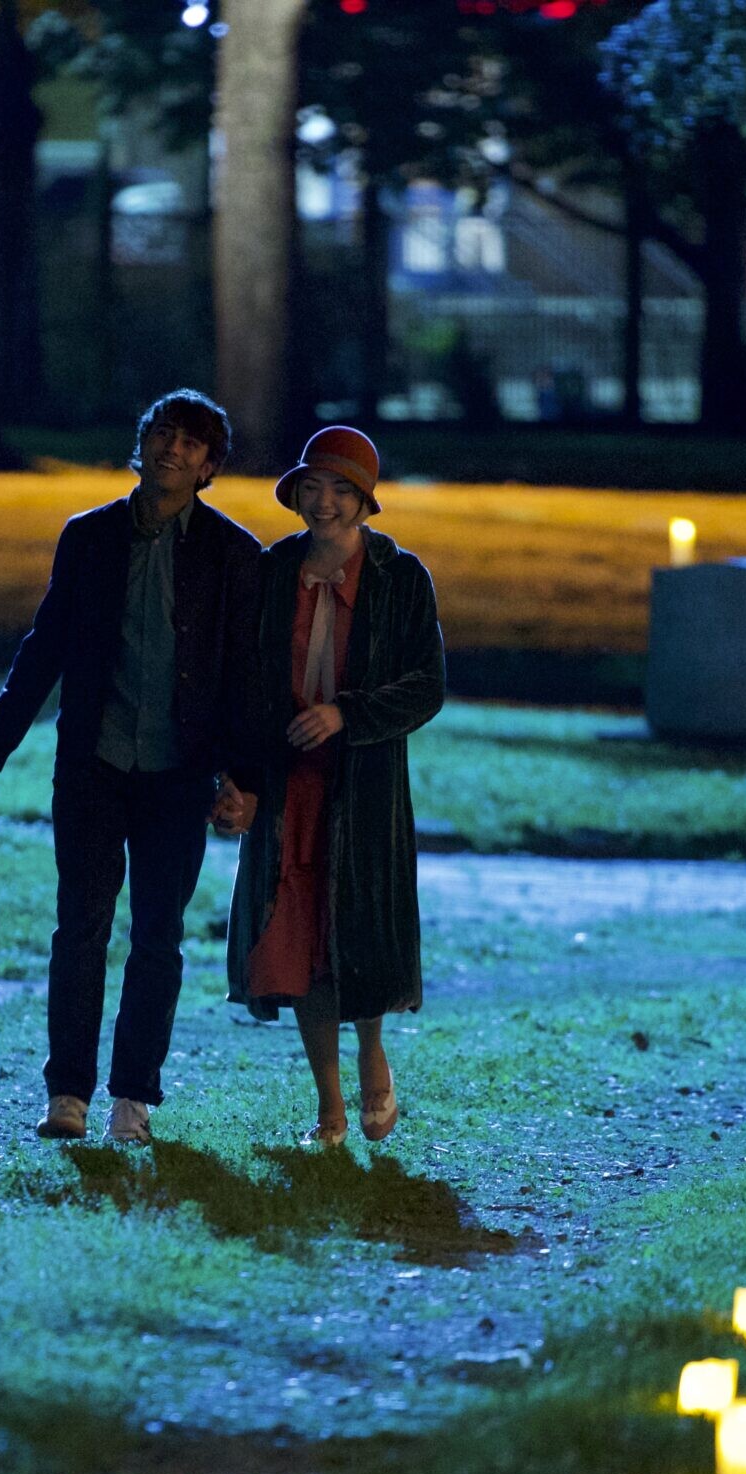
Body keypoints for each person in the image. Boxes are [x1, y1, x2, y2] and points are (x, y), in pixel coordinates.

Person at [0, 391, 263, 1144]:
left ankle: (134, 1098)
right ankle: (68, 1093)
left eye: (191, 443)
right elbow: (44, 649)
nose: (173, 450)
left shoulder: (232, 554)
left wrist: (243, 778)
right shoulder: (89, 537)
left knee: (158, 935)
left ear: (209, 466)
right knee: (81, 928)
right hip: (93, 765)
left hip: (179, 772)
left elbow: (244, 676)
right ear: (143, 440)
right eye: (163, 433)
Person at [226, 426, 445, 1149]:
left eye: (341, 491)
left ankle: (372, 1055)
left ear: (364, 501)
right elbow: (247, 685)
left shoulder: (400, 578)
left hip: (362, 786)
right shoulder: (272, 571)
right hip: (288, 784)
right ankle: (330, 1107)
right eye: (312, 488)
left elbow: (426, 686)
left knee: (358, 923)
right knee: (298, 938)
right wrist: (240, 780)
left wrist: (347, 714)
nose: (324, 503)